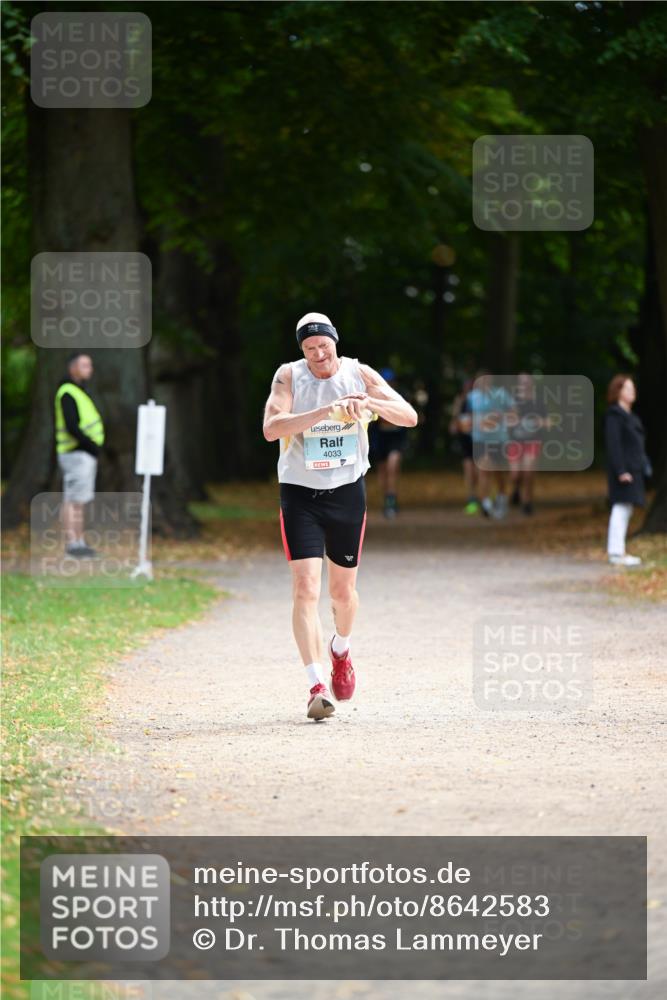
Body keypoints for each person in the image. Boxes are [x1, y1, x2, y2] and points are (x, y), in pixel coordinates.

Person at [263, 312, 417, 721]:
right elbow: (271, 427)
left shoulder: (358, 373)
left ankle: (341, 650)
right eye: (309, 349)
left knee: (342, 595)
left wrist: (366, 404)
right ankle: (316, 686)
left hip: (347, 493)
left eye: (323, 346)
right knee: (304, 589)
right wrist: (323, 412)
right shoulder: (289, 377)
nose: (317, 354)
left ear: (335, 341)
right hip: (300, 494)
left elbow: (409, 415)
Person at [54, 353, 105, 557]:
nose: (89, 369)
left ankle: (79, 542)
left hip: (82, 454)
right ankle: (73, 544)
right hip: (76, 454)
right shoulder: (68, 393)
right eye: (85, 365)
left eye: (90, 365)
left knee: (79, 500)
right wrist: (90, 445)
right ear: (72, 368)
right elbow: (71, 426)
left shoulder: (78, 392)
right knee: (73, 500)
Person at [604, 374, 650, 567]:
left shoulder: (630, 417)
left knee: (626, 509)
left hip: (634, 469)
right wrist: (621, 470)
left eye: (633, 388)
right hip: (623, 471)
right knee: (621, 508)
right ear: (618, 392)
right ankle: (616, 552)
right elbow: (614, 445)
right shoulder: (614, 416)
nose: (632, 392)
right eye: (628, 389)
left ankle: (618, 550)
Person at [465, 372, 515, 519]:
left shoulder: (501, 394)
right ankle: (486, 502)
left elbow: (513, 411)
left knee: (498, 471)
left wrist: (501, 417)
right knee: (483, 469)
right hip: (480, 439)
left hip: (499, 439)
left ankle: (501, 497)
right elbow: (467, 416)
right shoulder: (472, 397)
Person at [368, 367, 410, 518]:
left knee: (392, 466)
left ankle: (391, 498)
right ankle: (387, 497)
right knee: (383, 471)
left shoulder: (400, 396)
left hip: (396, 439)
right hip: (380, 439)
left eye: (391, 381)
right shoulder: (375, 397)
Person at [507, 372, 548, 516]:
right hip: (515, 441)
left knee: (529, 472)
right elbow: (506, 420)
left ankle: (527, 502)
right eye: (522, 382)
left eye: (527, 382)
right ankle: (516, 489)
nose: (525, 385)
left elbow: (548, 422)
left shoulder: (538, 402)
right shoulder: (513, 401)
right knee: (515, 474)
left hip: (533, 441)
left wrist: (538, 422)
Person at [449, 377, 478, 514]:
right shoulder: (460, 401)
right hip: (465, 439)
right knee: (468, 470)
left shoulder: (480, 400)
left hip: (479, 439)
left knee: (479, 471)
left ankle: (484, 495)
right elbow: (455, 419)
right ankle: (472, 498)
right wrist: (455, 425)